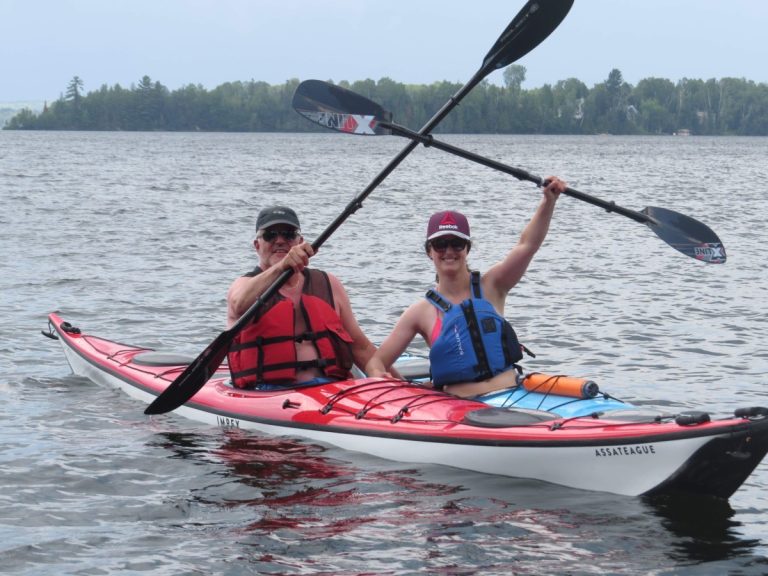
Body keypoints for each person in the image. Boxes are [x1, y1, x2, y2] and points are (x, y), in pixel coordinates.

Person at [365, 177, 566, 398]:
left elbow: (527, 245)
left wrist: (549, 201)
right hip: (460, 407)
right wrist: (387, 382)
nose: (448, 251)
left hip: (509, 395)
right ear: (429, 251)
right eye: (440, 244)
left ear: (467, 249)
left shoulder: (494, 285)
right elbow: (376, 362)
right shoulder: (419, 312)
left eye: (457, 244)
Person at [226, 205, 381, 389]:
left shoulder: (328, 283)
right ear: (257, 245)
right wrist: (282, 266)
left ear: (300, 241)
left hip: (333, 389)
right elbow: (239, 304)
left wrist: (400, 385)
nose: (280, 240)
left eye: (289, 234)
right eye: (270, 235)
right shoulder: (243, 286)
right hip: (268, 394)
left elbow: (361, 348)